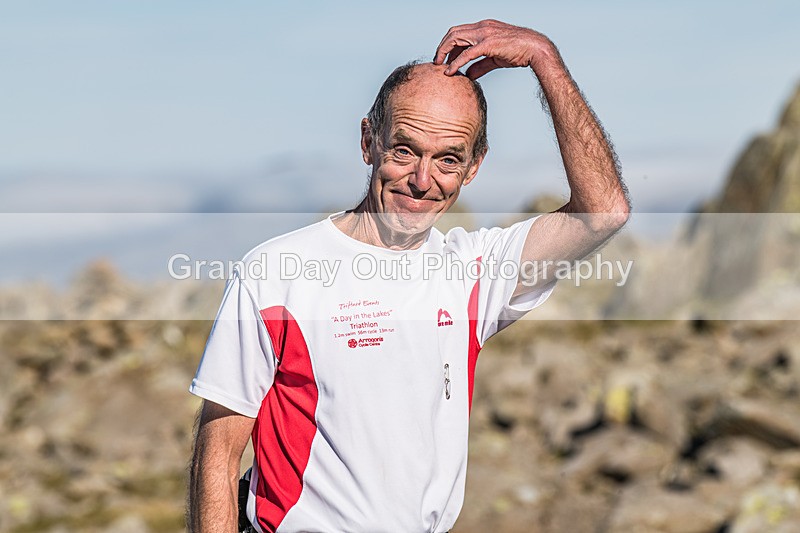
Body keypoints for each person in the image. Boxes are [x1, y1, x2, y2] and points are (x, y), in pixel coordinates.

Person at [187, 19, 630, 533]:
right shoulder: (274, 275)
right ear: (367, 141)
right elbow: (216, 456)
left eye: (447, 160)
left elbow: (604, 210)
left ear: (474, 166)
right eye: (404, 151)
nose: (422, 181)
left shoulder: (473, 273)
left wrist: (544, 59)